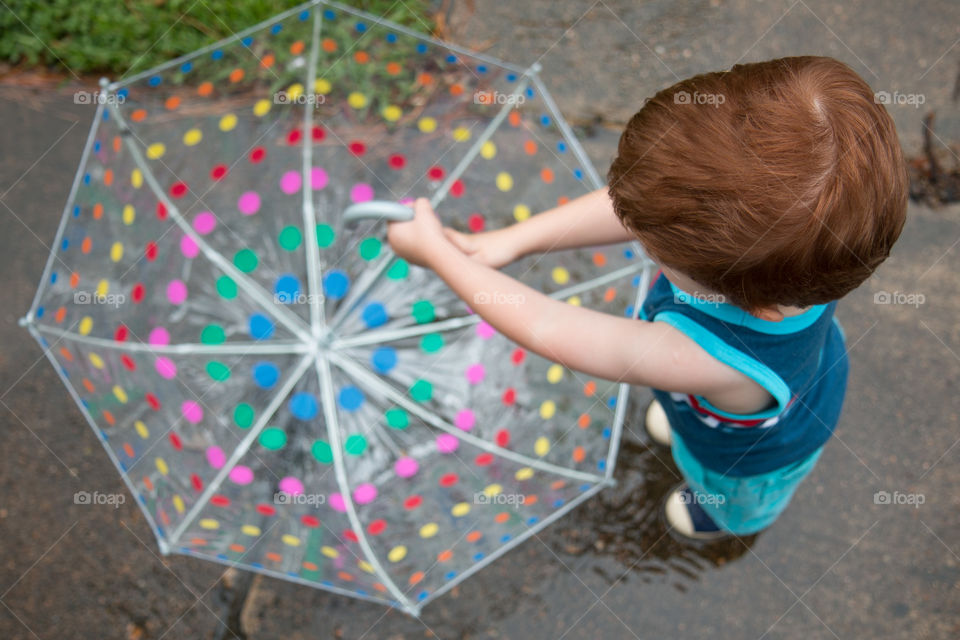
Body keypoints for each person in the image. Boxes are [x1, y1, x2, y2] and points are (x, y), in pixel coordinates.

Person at [386, 56, 908, 540]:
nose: (640, 241)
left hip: (752, 460)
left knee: (722, 485)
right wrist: (512, 240)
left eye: (658, 251)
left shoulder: (705, 358)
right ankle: (701, 416)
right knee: (692, 411)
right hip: (805, 370)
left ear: (747, 300)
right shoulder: (805, 250)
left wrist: (441, 257)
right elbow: (640, 205)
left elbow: (546, 327)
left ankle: (725, 516)